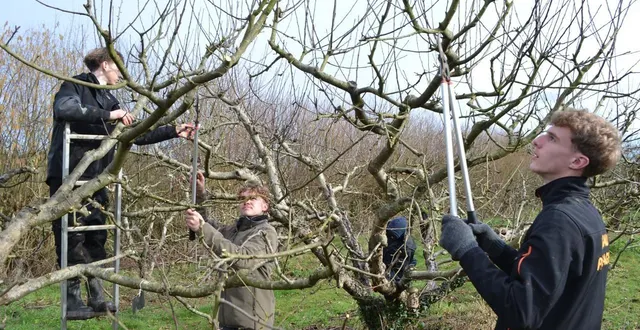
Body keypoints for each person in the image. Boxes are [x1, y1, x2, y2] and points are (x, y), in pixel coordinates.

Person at [46, 47, 195, 319]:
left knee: (97, 236)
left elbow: (135, 134)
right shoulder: (76, 86)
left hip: (98, 177)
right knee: (72, 236)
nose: (122, 75)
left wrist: (173, 131)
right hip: (69, 176)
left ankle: (96, 298)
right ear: (105, 64)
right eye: (118, 68)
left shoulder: (110, 98)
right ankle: (72, 301)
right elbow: (64, 108)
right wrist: (109, 116)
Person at [438, 109, 622, 330]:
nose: (537, 141)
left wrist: (467, 250)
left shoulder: (560, 221)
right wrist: (496, 248)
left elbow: (521, 311)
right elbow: (546, 280)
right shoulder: (585, 213)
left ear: (577, 161)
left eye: (552, 138)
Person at [185, 172, 278, 330]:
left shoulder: (266, 232)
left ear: (265, 206)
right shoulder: (233, 231)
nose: (246, 202)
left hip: (253, 323)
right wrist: (200, 194)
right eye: (242, 199)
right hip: (226, 321)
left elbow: (243, 259)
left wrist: (202, 227)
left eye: (252, 198)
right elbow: (209, 226)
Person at [382, 216, 417, 285]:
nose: (391, 237)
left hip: (397, 269)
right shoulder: (388, 233)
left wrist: (392, 279)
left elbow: (402, 268)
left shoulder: (407, 247)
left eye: (393, 236)